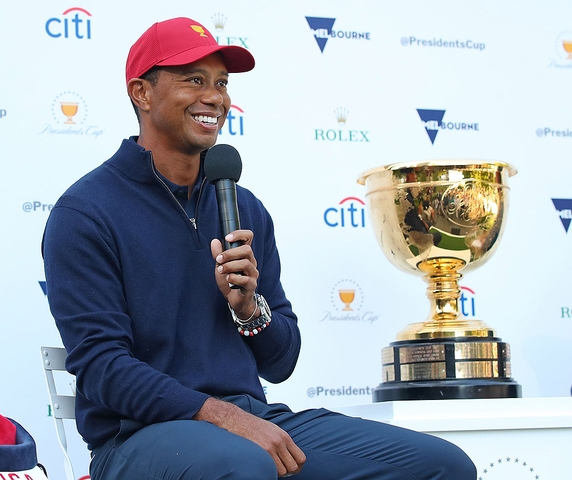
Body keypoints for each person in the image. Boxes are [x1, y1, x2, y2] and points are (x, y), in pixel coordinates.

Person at [42, 16, 477, 480]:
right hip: (137, 439)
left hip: (252, 420)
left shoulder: (242, 206)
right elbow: (104, 368)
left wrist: (250, 309)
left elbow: (281, 361)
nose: (215, 97)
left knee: (442, 465)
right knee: (245, 465)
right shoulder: (86, 213)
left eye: (222, 83)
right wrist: (224, 417)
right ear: (142, 93)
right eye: (194, 80)